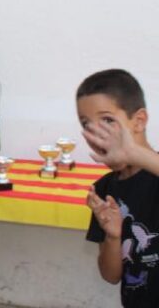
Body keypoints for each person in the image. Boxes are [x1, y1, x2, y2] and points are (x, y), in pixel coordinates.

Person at [79, 69, 158, 308]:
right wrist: (113, 236)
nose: (97, 133)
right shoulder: (104, 189)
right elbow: (111, 276)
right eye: (86, 124)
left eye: (108, 120)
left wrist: (134, 152)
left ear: (139, 121)